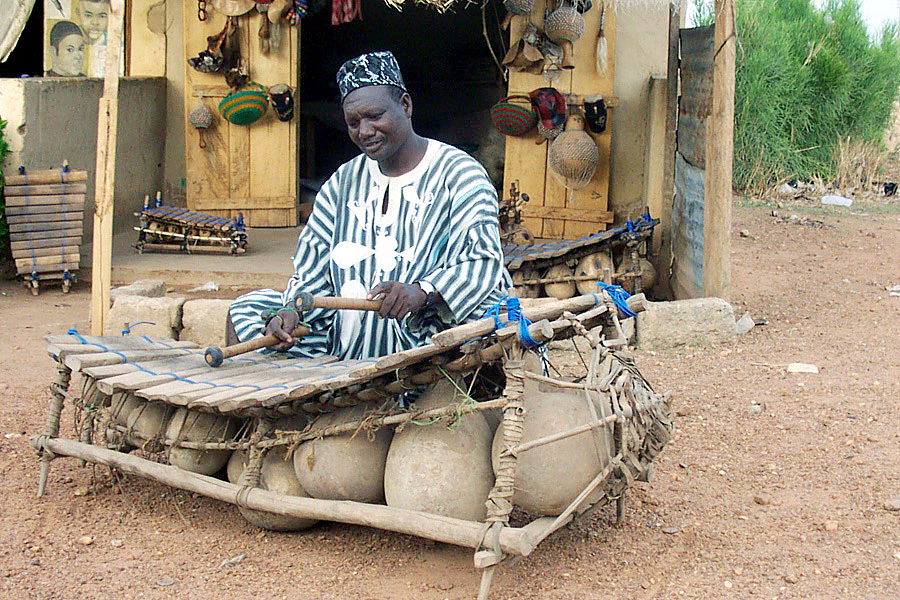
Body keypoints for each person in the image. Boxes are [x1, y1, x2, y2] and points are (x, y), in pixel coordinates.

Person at [228, 50, 512, 360]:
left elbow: (482, 262)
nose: (364, 131)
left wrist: (421, 291)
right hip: (344, 340)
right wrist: (291, 314)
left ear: (405, 105)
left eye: (374, 116)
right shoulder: (343, 181)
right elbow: (312, 268)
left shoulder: (459, 174)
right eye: (353, 122)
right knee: (247, 310)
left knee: (487, 318)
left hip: (424, 334)